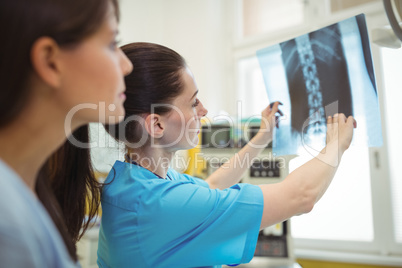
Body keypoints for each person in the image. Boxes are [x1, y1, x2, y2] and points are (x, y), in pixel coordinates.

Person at [97, 42, 356, 268]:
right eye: (193, 102)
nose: (204, 110)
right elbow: (301, 196)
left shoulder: (134, 182)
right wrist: (335, 145)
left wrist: (261, 138)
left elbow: (211, 187)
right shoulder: (158, 203)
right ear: (157, 125)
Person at [0, 0, 133, 267]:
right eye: (111, 44)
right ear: (50, 61)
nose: (126, 65)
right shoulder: (7, 224)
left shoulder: (28, 192)